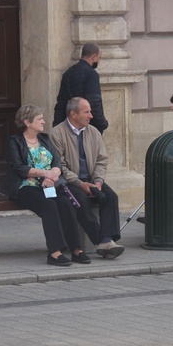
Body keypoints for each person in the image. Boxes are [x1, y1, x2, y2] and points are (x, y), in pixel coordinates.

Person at [0, 105, 91, 266]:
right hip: (25, 187)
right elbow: (19, 168)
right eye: (39, 119)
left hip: (49, 185)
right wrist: (45, 174)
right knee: (49, 206)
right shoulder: (15, 141)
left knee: (65, 203)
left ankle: (76, 250)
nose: (44, 121)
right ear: (27, 122)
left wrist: (53, 175)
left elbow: (57, 161)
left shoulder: (45, 139)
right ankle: (55, 253)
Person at [50, 97, 124, 259]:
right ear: (73, 114)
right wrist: (79, 183)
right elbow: (59, 166)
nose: (91, 115)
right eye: (87, 112)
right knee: (81, 201)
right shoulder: (57, 134)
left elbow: (101, 160)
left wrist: (98, 182)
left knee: (110, 197)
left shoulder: (93, 132)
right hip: (71, 182)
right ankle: (103, 241)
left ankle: (107, 240)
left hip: (91, 179)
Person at [53, 43, 109, 133]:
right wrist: (102, 123)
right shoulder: (92, 74)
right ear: (94, 56)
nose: (99, 61)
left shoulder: (68, 73)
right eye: (99, 58)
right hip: (88, 126)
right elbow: (94, 102)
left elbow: (61, 102)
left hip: (70, 125)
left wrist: (57, 125)